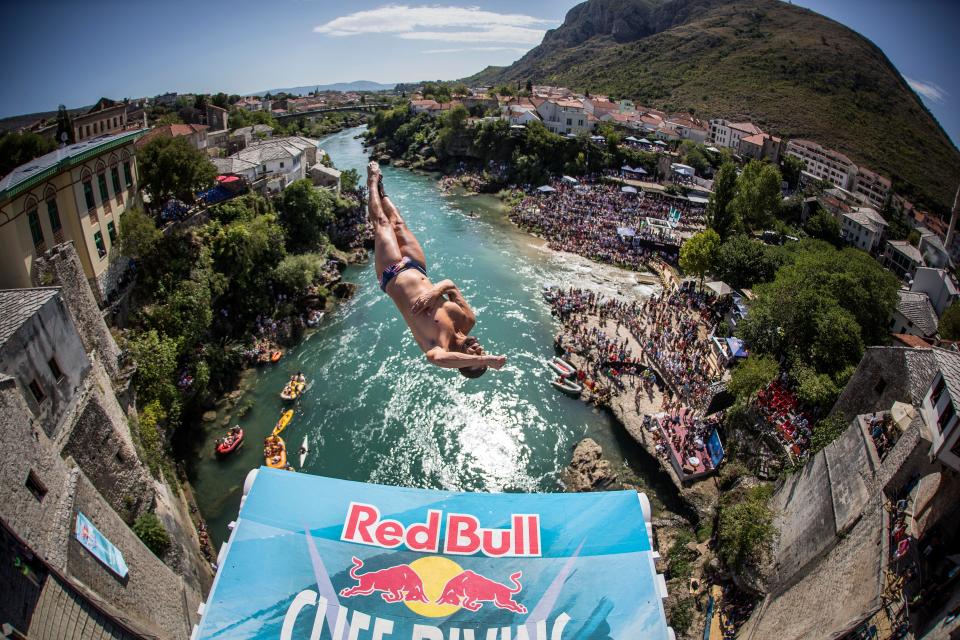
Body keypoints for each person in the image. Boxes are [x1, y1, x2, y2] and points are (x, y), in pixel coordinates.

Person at [366, 161, 505, 377]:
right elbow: (450, 284)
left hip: (391, 273)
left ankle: (372, 181)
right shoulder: (468, 320)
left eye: (474, 357)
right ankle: (382, 191)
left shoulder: (436, 345)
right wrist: (435, 292)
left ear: (461, 363)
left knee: (382, 223)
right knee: (399, 223)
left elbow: (437, 359)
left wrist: (485, 360)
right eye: (481, 352)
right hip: (417, 267)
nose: (479, 349)